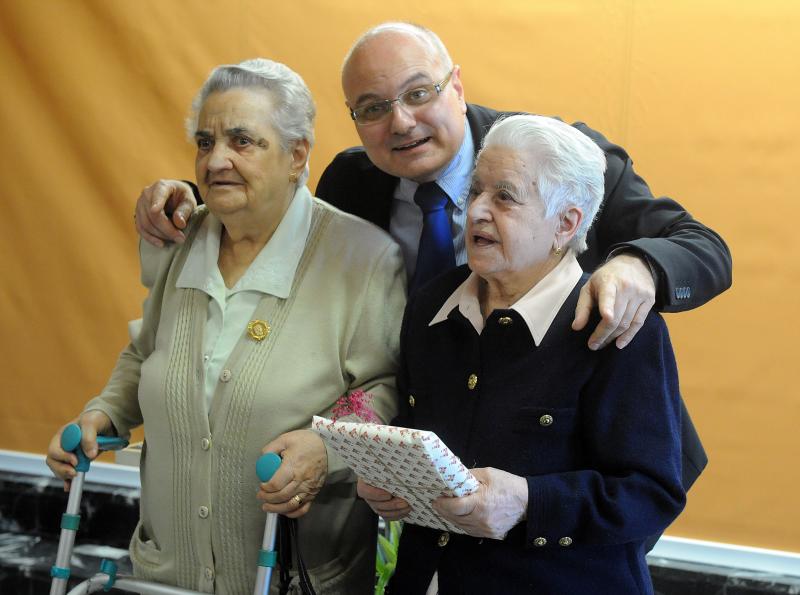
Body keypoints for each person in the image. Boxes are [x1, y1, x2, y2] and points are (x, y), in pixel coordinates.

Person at [132, 22, 728, 516]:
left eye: (419, 94)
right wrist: (192, 196)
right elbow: (278, 212)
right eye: (372, 108)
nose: (401, 122)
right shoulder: (352, 180)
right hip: (421, 465)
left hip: (574, 470)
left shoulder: (556, 155)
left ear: (457, 86)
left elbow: (703, 246)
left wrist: (639, 264)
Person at [46, 58, 406, 594]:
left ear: (297, 154)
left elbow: (387, 389)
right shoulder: (180, 238)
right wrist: (106, 411)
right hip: (166, 576)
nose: (216, 161)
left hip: (295, 577)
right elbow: (146, 352)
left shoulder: (364, 258)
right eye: (205, 142)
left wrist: (325, 449)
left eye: (242, 141)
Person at [361, 113, 686, 594]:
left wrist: (530, 502)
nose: (475, 212)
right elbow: (418, 434)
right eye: (476, 191)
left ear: (566, 224)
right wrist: (390, 478)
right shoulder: (432, 302)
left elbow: (651, 494)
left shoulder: (616, 324)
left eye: (504, 197)